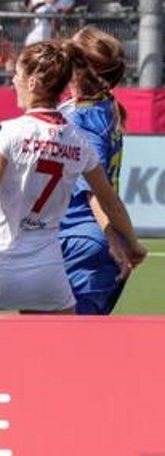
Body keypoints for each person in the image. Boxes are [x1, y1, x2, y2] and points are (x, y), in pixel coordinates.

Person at [0, 41, 145, 314]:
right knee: (62, 355)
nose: (13, 80)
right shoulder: (79, 141)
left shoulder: (5, 132)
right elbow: (110, 200)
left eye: (18, 74)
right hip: (46, 276)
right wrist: (132, 244)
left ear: (33, 82)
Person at [59, 27, 134, 314]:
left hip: (85, 240)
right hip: (81, 239)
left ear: (77, 69)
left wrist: (114, 239)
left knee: (71, 344)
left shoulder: (84, 118)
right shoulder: (103, 106)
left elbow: (95, 189)